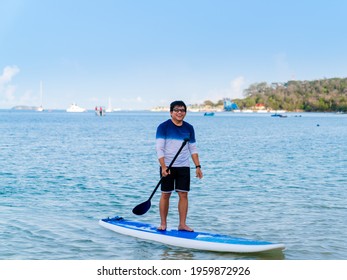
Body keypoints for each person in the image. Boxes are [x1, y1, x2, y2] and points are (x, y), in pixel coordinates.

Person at [155, 100, 203, 232]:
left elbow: (193, 148)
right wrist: (163, 166)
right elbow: (159, 148)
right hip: (168, 166)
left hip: (183, 166)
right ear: (171, 112)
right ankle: (163, 223)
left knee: (183, 194)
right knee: (166, 194)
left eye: (182, 110)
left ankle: (182, 224)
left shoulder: (189, 128)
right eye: (176, 110)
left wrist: (198, 166)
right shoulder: (163, 127)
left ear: (185, 112)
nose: (179, 113)